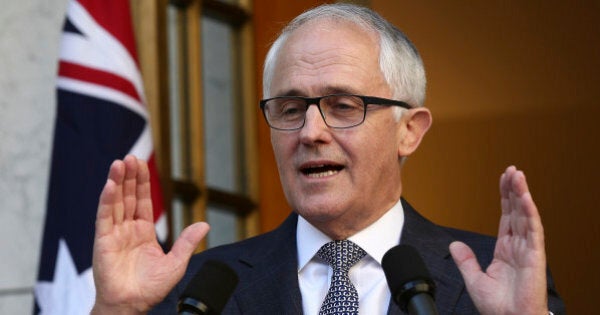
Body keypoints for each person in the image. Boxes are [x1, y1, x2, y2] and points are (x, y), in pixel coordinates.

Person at [91, 3, 564, 315]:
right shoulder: (199, 291)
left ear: (409, 131)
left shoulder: (494, 280)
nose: (311, 133)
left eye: (343, 106)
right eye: (291, 109)